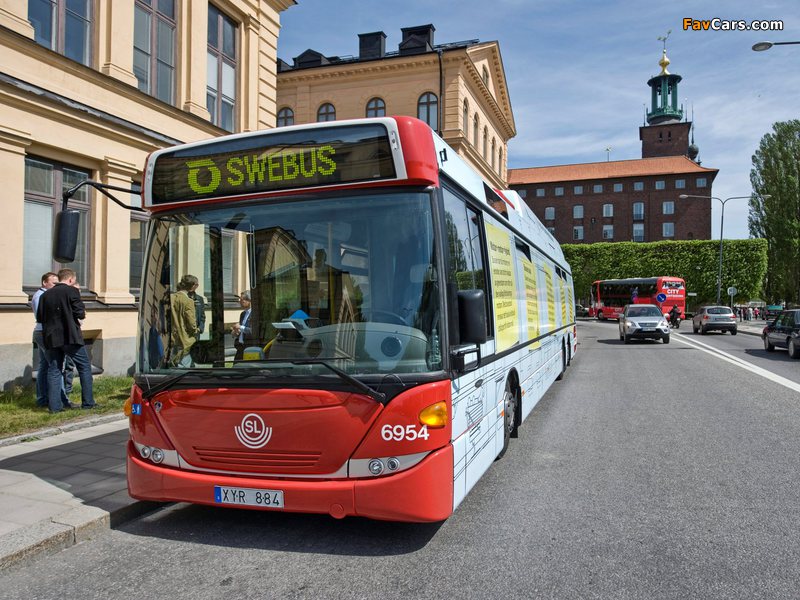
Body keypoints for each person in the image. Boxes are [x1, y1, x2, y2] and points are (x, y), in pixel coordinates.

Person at [37, 268, 95, 412]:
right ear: (70, 279)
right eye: (74, 280)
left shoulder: (46, 294)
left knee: (54, 370)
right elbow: (80, 313)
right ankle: (88, 403)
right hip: (70, 336)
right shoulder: (72, 291)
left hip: (51, 337)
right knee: (84, 367)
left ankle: (54, 407)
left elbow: (40, 317)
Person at [31, 272, 71, 409]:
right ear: (44, 282)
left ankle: (43, 399)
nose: (56, 286)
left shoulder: (45, 294)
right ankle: (60, 400)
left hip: (44, 332)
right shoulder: (40, 296)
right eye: (53, 283)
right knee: (56, 366)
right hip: (45, 333)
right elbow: (43, 316)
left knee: (45, 366)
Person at [169, 275, 199, 367]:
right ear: (192, 286)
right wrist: (196, 330)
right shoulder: (188, 301)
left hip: (172, 336)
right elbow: (191, 323)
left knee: (173, 364)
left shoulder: (171, 297)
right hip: (184, 338)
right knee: (183, 366)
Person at [232, 291, 255, 360]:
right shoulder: (243, 314)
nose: (240, 302)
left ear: (249, 301)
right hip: (240, 347)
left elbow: (253, 331)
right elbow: (241, 331)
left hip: (249, 348)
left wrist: (240, 327)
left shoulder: (255, 314)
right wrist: (235, 332)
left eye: (242, 300)